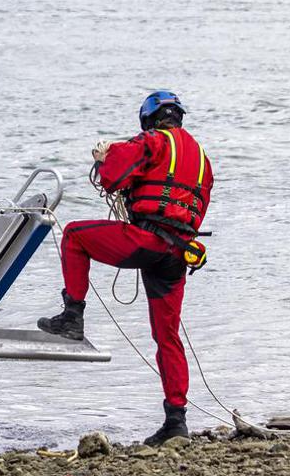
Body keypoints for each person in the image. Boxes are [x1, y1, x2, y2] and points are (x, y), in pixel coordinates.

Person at [38, 90, 214, 446]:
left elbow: (112, 177)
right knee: (168, 337)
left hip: (146, 241)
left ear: (149, 119)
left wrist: (104, 158)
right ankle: (175, 420)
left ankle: (72, 315)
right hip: (178, 255)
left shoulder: (152, 141)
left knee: (73, 235)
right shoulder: (202, 160)